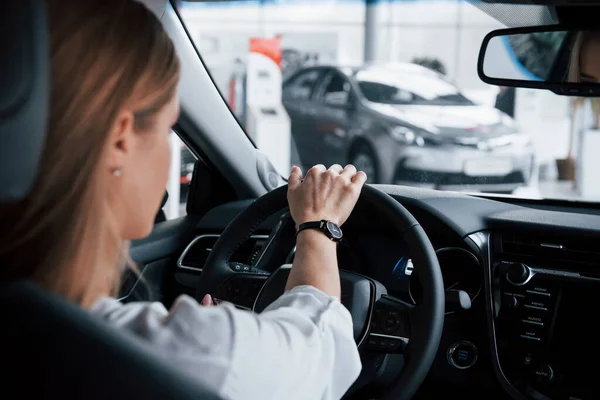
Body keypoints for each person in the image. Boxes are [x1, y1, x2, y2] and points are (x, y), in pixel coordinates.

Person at [0, 1, 366, 399]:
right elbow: (321, 354)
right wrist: (317, 226)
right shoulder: (197, 354)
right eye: (168, 129)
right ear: (121, 139)